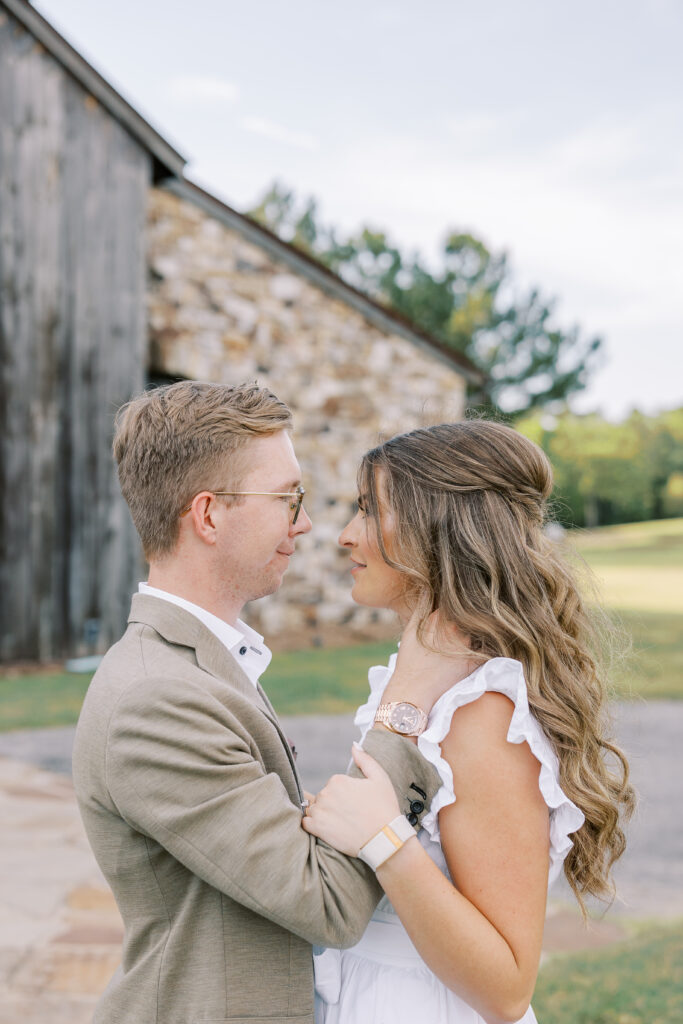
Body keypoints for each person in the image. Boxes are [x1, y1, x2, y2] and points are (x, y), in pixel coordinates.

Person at [72, 380, 463, 1024]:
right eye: (288, 498)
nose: (306, 523)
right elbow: (328, 903)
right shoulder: (156, 700)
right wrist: (408, 700)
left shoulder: (202, 664)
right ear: (208, 515)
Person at [302, 420, 635, 1024]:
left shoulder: (482, 717)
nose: (348, 537)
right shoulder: (429, 686)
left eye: (368, 511)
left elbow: (507, 987)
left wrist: (383, 840)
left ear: (436, 529)